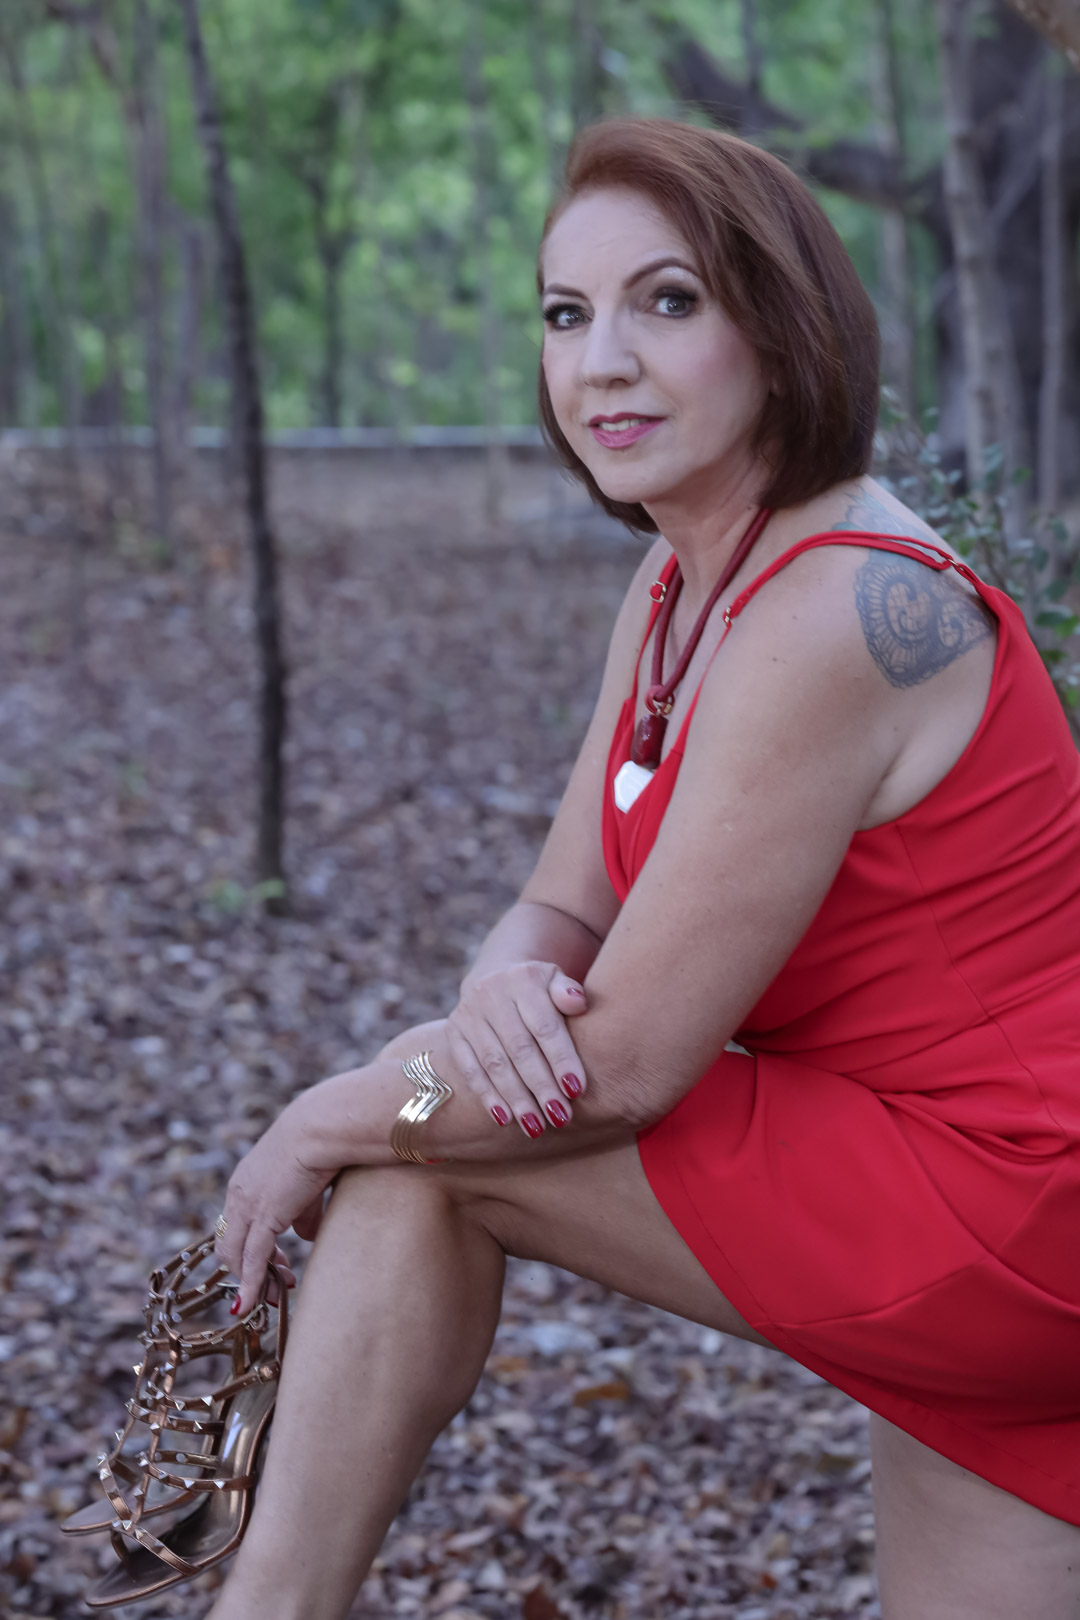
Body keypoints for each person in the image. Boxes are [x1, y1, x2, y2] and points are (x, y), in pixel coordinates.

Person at [120, 120, 1080, 1617]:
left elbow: (620, 1067)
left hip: (1008, 1197)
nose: (602, 363)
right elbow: (566, 901)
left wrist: (338, 1110)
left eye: (668, 302)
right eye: (566, 315)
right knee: (429, 1132)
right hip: (927, 1170)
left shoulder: (832, 615)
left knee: (416, 1164)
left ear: (783, 331)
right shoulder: (686, 581)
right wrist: (500, 988)